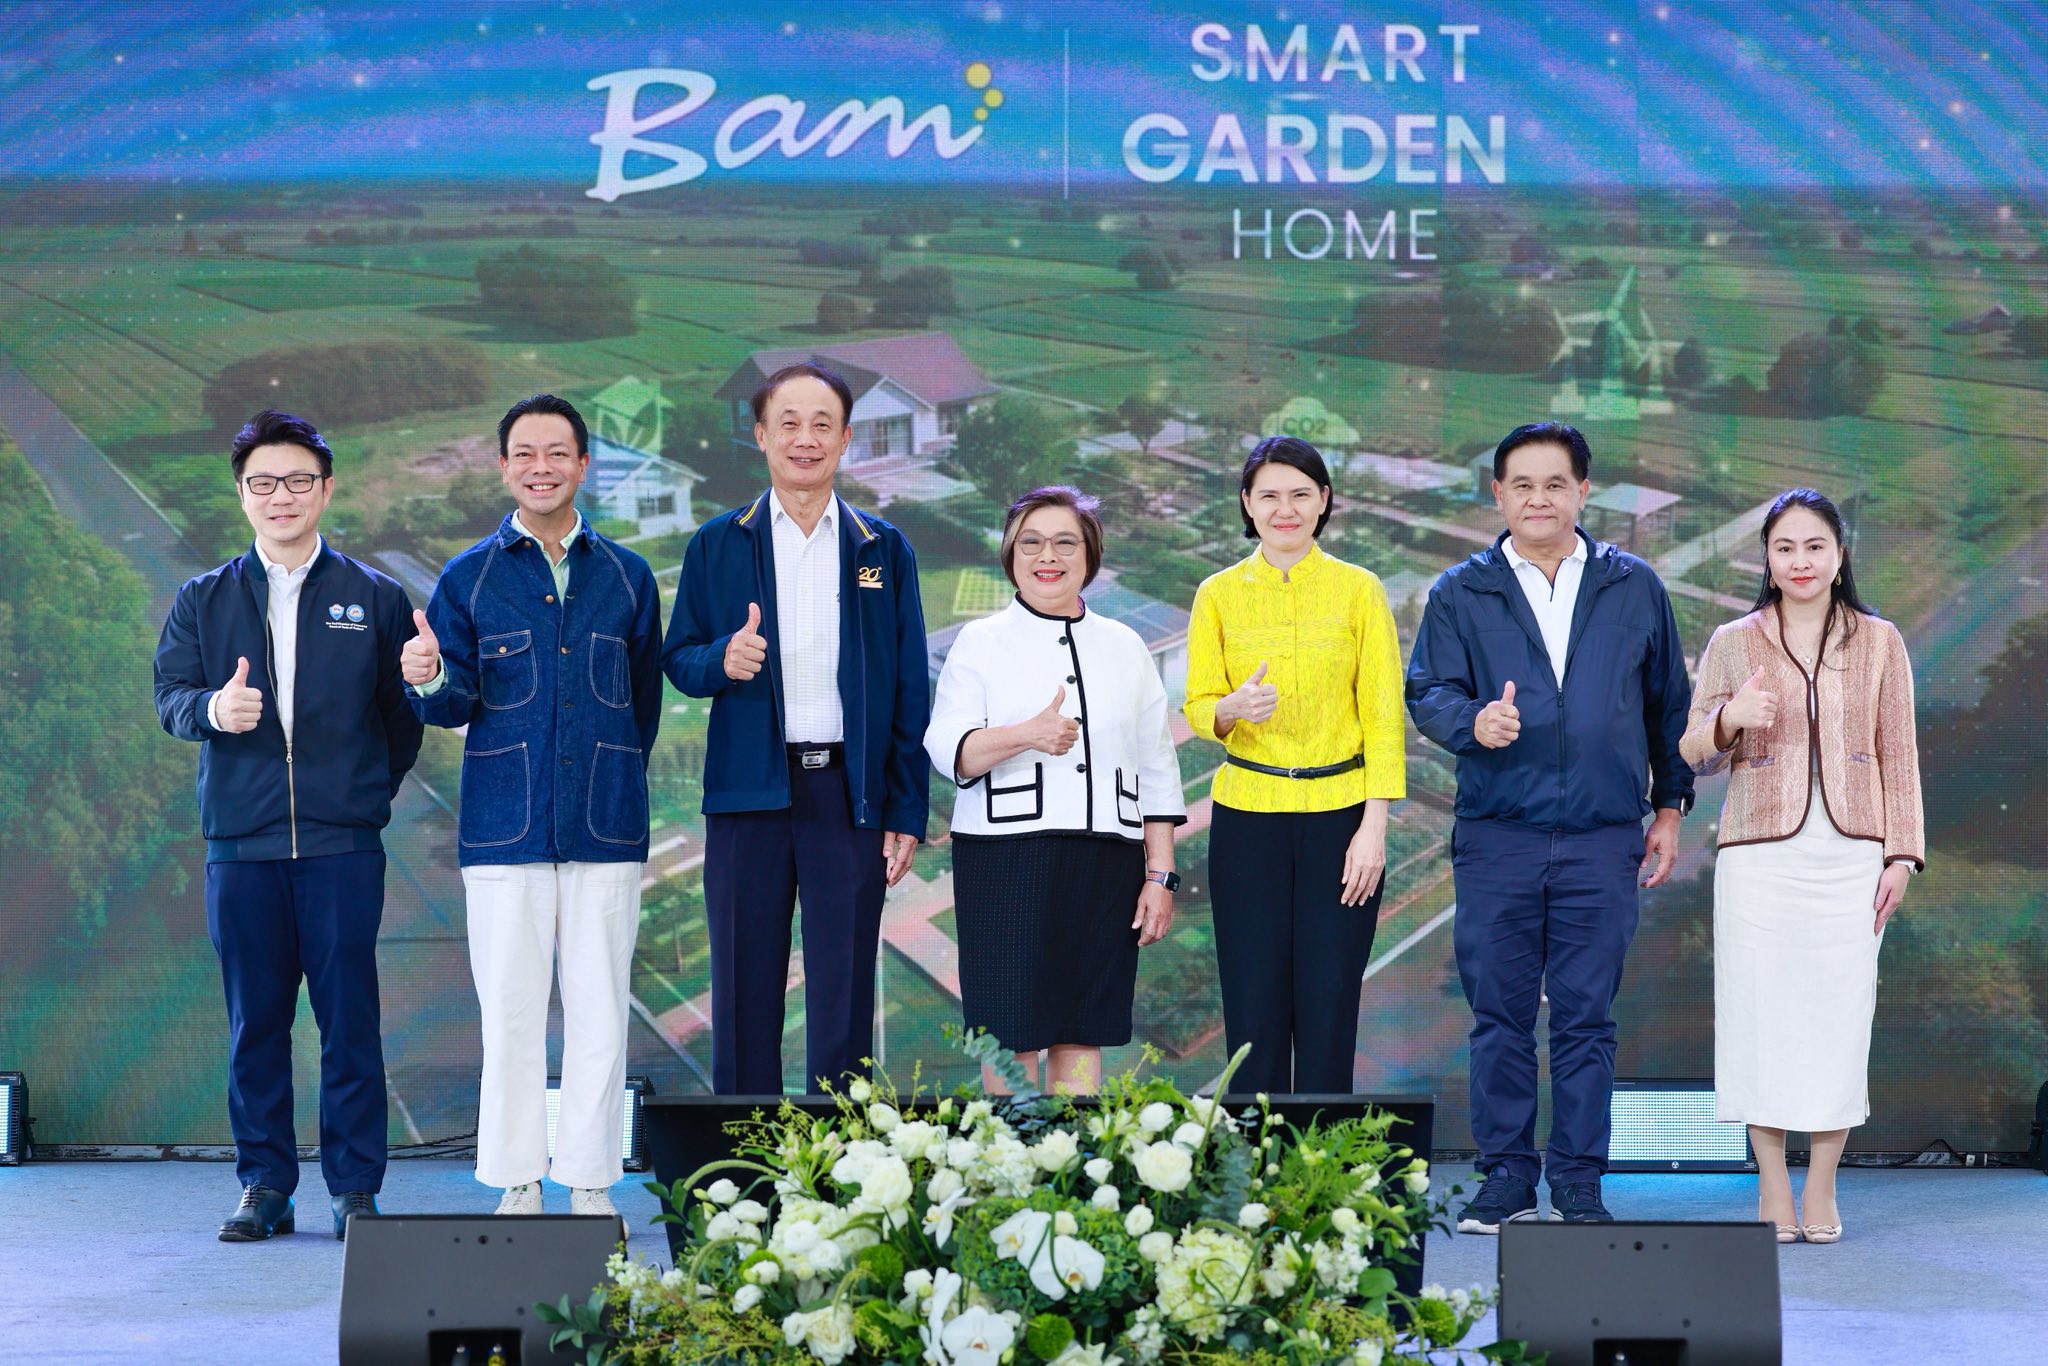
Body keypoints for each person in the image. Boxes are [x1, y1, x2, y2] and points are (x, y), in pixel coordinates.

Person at [1406, 421, 1692, 1230]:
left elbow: (1668, 706)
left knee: (1585, 1018)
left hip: (1603, 838)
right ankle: (1505, 1177)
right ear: (1498, 494)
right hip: (1498, 835)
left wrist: (1669, 808)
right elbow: (1426, 691)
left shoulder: (1634, 586)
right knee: (1499, 1017)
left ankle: (1578, 1180)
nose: (1539, 499)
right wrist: (1471, 722)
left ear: (1582, 492)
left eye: (1556, 483)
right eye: (1522, 485)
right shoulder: (1461, 592)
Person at [153, 409, 423, 1242]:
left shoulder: (375, 597)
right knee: (256, 1027)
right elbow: (170, 698)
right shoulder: (202, 599)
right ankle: (265, 1184)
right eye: (263, 482)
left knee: (351, 1025)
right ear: (241, 495)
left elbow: (401, 718)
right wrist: (214, 709)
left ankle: (355, 1188)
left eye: (299, 480)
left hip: (343, 850)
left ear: (326, 490)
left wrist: (361, 796)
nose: (282, 496)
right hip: (242, 850)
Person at [404, 394, 663, 1223]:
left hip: (604, 827)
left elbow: (641, 708)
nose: (541, 467)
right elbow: (454, 703)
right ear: (504, 466)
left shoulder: (627, 576)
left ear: (583, 464)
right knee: (510, 1015)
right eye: (525, 453)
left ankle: (589, 1179)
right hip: (502, 832)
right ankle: (518, 1178)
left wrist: (607, 775)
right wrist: (427, 677)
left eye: (558, 452)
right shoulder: (469, 577)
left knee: (600, 1012)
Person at [662, 362, 929, 1095]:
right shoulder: (718, 543)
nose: (804, 439)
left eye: (821, 425)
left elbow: (910, 688)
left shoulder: (882, 548)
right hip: (749, 794)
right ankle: (741, 1158)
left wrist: (905, 808)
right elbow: (679, 658)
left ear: (845, 439)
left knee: (843, 992)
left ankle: (839, 1159)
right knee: (743, 989)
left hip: (847, 796)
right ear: (760, 435)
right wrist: (722, 659)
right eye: (788, 423)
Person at [1680, 488, 1922, 1245]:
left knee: (1837, 1019)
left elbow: (1899, 754)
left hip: (1851, 856)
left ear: (1839, 555)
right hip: (1759, 857)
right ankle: (1771, 1186)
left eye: (1814, 546)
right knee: (1760, 1018)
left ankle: (1822, 1183)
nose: (1800, 561)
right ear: (1768, 559)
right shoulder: (1734, 641)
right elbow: (1692, 752)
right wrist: (1729, 720)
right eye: (1784, 548)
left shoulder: (1880, 641)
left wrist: (1902, 855)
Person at [925, 486, 1185, 1093]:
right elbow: (948, 751)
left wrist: (1160, 875)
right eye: (1032, 543)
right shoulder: (980, 640)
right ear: (1011, 555)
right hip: (1004, 861)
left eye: (1066, 542)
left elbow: (1155, 764)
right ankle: (1008, 1153)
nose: (1049, 555)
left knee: (1081, 1028)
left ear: (1089, 556)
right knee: (1007, 1034)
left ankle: (1074, 1153)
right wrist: (1026, 734)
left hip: (1107, 863)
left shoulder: (1126, 645)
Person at [1182, 436, 1406, 1095]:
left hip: (1342, 820)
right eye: (1270, 496)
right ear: (1247, 504)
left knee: (1330, 999)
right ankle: (1250, 1156)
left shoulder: (1359, 591)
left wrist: (1373, 829)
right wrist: (1230, 709)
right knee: (1252, 1001)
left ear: (1324, 501)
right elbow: (1198, 705)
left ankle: (1322, 1154)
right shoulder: (1217, 594)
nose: (1286, 509)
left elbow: (1383, 715)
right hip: (1248, 818)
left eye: (1301, 494)